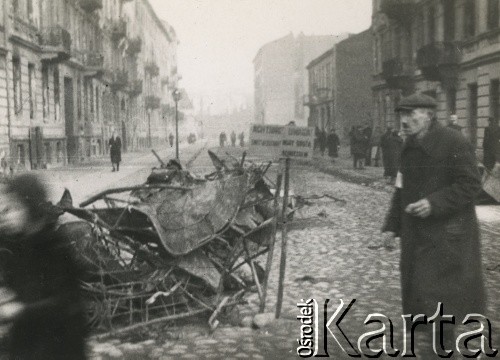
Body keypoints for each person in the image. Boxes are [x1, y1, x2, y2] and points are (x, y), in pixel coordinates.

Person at [381, 93, 485, 358]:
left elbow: (471, 185)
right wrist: (392, 226)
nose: (403, 121)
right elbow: (400, 189)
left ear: (428, 114)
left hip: (447, 239)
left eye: (410, 114)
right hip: (416, 239)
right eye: (401, 115)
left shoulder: (454, 141)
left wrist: (433, 203)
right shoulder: (409, 146)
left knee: (440, 308)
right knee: (421, 305)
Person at [0, 174, 87, 359]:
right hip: (28, 342)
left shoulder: (55, 246)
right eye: (5, 208)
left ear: (31, 209)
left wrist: (19, 309)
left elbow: (64, 303)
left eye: (14, 208)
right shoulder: (16, 243)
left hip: (60, 345)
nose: (5, 214)